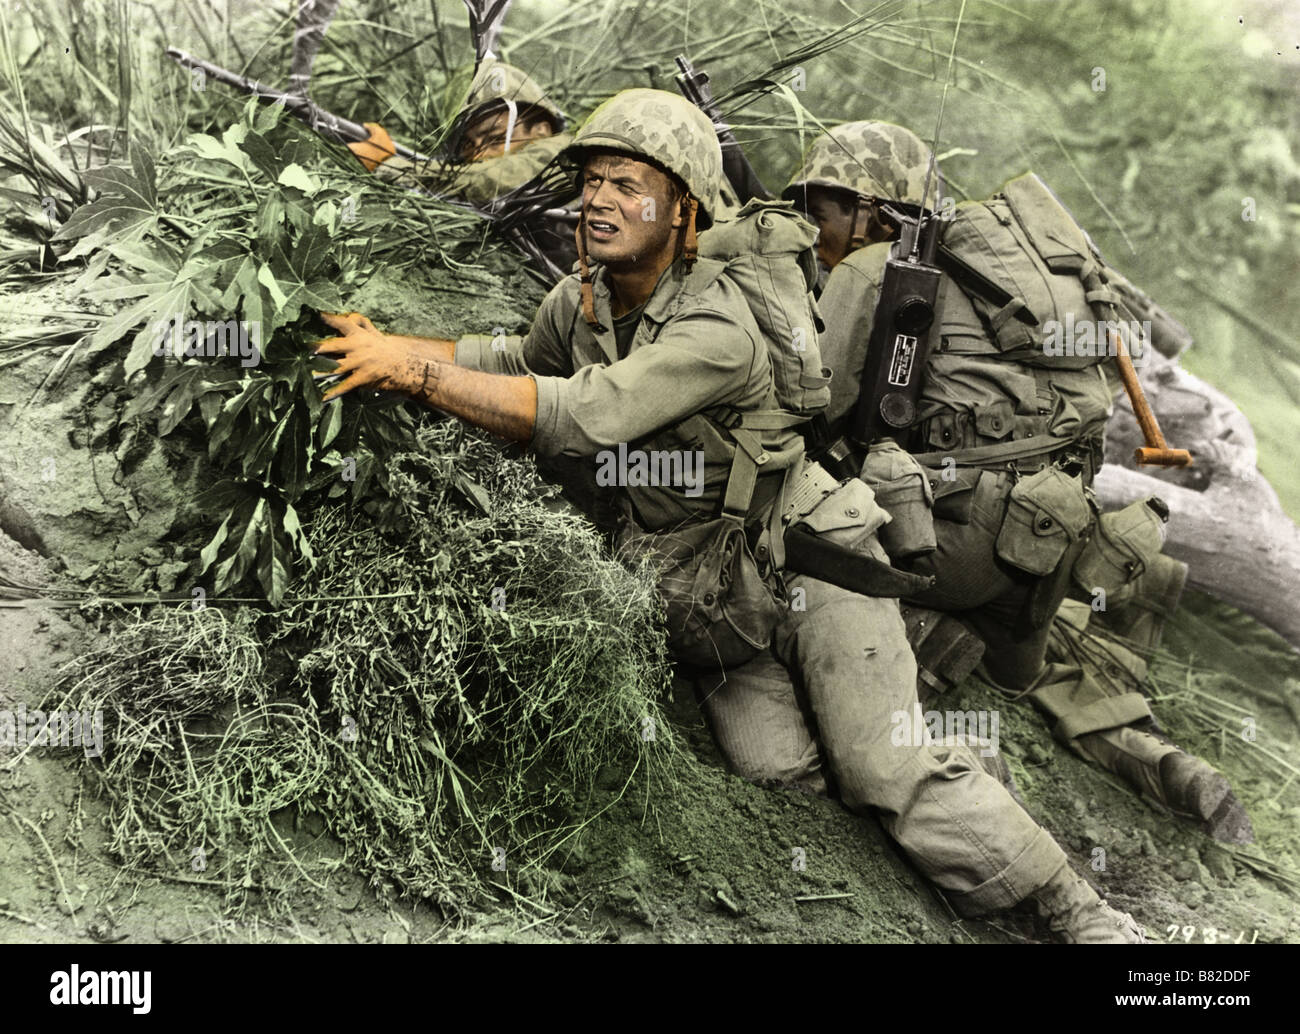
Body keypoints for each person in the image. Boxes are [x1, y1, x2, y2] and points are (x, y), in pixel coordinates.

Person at [311, 89, 1145, 942]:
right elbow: (519, 360)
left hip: (815, 562)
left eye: (628, 183)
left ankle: (1078, 912)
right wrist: (384, 342)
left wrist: (407, 376)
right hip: (713, 591)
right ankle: (936, 886)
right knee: (775, 778)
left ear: (683, 209)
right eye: (592, 179)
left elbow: (584, 413)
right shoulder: (585, 299)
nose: (599, 199)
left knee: (881, 765)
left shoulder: (720, 323)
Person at [779, 120, 1251, 844]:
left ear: (876, 212)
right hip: (1044, 558)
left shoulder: (870, 275)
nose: (812, 229)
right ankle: (1157, 762)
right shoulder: (1001, 281)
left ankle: (944, 712)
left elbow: (809, 408)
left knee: (779, 552)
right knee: (1042, 659)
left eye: (824, 209)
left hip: (941, 552)